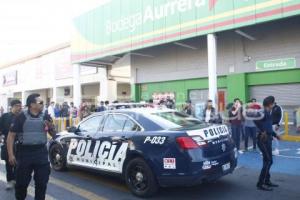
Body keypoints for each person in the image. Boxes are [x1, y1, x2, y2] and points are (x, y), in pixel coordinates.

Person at [7, 93, 56, 200]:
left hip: (41, 153)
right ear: (32, 104)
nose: (43, 104)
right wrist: (11, 155)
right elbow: (11, 136)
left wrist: (51, 127)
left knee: (42, 183)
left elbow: (53, 134)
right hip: (24, 154)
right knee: (21, 184)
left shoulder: (46, 116)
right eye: (40, 102)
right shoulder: (21, 117)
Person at [254, 96, 280, 191]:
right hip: (263, 140)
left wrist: (275, 134)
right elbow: (255, 119)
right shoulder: (263, 112)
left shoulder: (268, 112)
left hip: (268, 139)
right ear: (270, 104)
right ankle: (260, 183)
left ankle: (266, 180)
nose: (274, 104)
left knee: (269, 161)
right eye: (273, 103)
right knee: (268, 161)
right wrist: (262, 130)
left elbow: (268, 126)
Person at [0, 100, 22, 190]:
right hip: (7, 142)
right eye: (17, 106)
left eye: (20, 106)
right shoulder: (5, 116)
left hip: (20, 143)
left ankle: (17, 180)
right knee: (8, 163)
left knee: (19, 163)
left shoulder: (22, 117)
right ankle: (10, 181)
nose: (19, 108)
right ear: (11, 106)